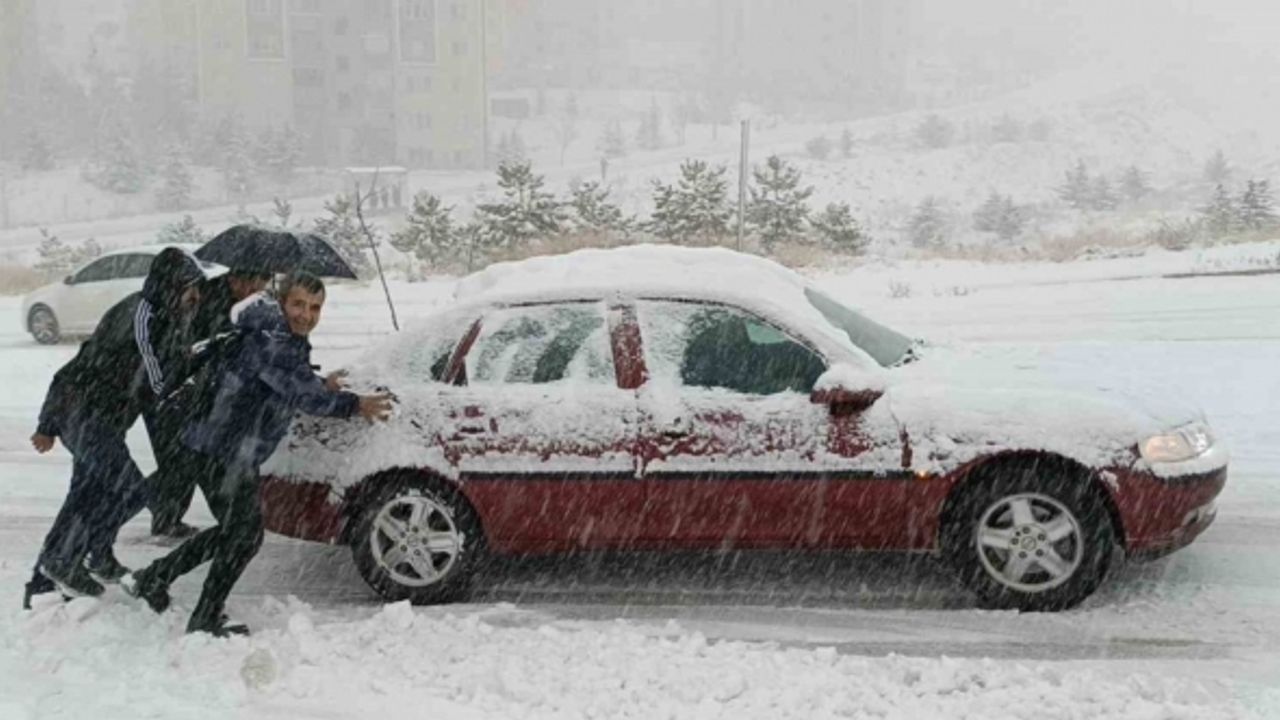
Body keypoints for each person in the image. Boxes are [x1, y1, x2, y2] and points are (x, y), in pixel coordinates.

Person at [124, 271, 393, 636]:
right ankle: (202, 614)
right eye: (298, 304)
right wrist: (354, 403)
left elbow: (285, 381)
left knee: (236, 533)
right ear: (282, 302)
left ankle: (154, 577)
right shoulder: (273, 339)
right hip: (224, 447)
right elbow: (301, 394)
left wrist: (318, 382)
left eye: (315, 308)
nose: (307, 315)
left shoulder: (276, 335)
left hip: (219, 443)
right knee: (245, 536)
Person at [24, 248, 205, 608]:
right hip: (83, 413)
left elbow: (162, 372)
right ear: (170, 285)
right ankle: (65, 559)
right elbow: (154, 381)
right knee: (129, 490)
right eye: (189, 287)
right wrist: (47, 423)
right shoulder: (141, 316)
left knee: (84, 496)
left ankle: (57, 575)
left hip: (103, 419)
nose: (194, 296)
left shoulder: (167, 316)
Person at [146, 267, 271, 538]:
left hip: (195, 394)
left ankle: (166, 516)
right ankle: (130, 504)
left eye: (262, 285)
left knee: (184, 464)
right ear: (235, 279)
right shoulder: (207, 300)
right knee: (182, 464)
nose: (257, 292)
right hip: (174, 392)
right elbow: (192, 346)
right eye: (253, 285)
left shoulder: (238, 303)